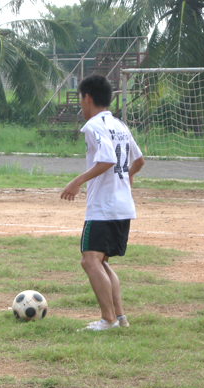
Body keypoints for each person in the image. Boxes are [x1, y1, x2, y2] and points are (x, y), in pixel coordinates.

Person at [61, 75, 145, 331]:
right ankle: (120, 317)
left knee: (90, 261)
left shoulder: (94, 125)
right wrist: (127, 176)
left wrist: (77, 181)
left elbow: (107, 159)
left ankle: (108, 319)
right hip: (122, 205)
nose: (81, 104)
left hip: (103, 207)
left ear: (87, 98)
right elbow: (139, 161)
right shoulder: (119, 125)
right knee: (100, 261)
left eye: (80, 99)